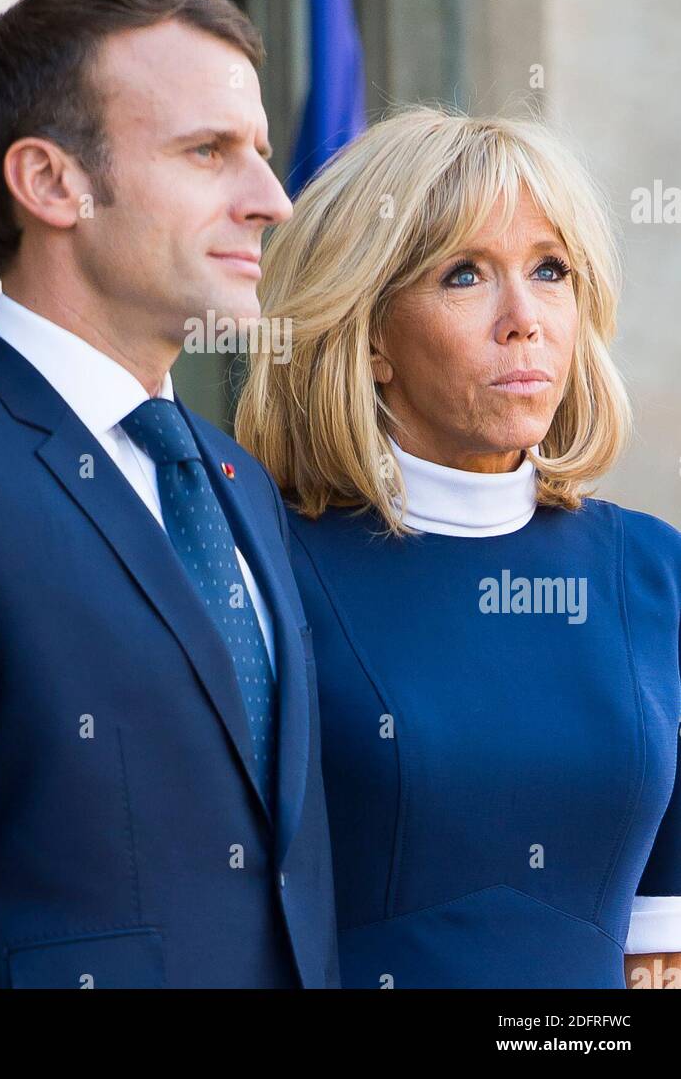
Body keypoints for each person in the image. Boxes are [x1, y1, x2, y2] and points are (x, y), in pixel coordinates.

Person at [0, 0, 340, 989]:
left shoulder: (235, 480)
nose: (270, 199)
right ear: (51, 184)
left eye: (259, 154)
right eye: (207, 151)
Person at [236, 105, 681, 989]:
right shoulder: (256, 563)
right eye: (464, 275)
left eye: (549, 270)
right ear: (368, 339)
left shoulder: (651, 570)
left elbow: (656, 949)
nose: (523, 319)